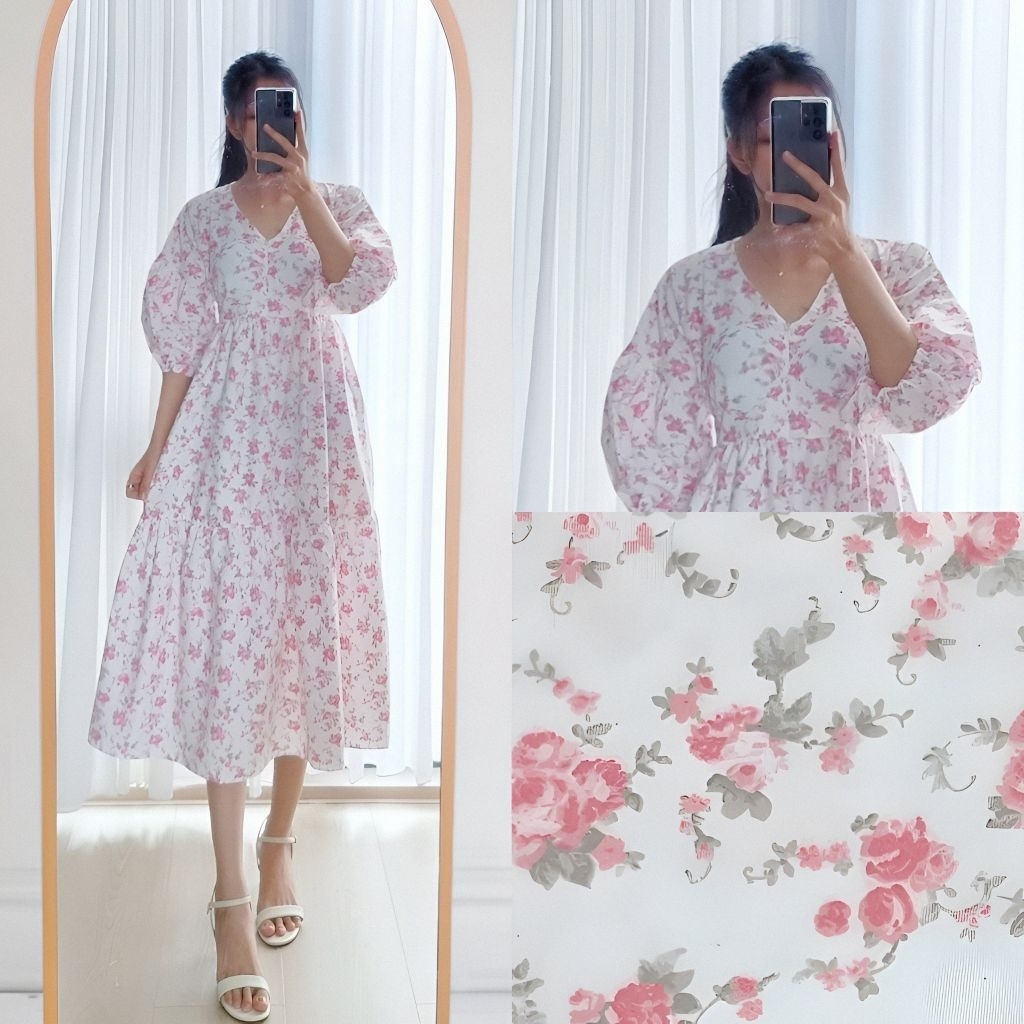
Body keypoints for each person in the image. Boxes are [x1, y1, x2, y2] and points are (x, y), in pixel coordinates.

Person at [87, 51, 396, 1021]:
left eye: (286, 110)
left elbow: (358, 285)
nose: (272, 125)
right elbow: (180, 344)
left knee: (302, 633)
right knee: (232, 643)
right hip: (227, 438)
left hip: (313, 436)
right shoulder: (202, 219)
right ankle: (228, 899)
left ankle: (279, 848)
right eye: (257, 113)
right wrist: (156, 446)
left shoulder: (338, 202)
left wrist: (305, 195)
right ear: (233, 122)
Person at [602, 43, 980, 513]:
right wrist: (692, 540)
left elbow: (921, 395)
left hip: (860, 523)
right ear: (739, 152)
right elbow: (648, 441)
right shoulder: (693, 286)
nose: (797, 154)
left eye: (814, 133)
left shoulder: (899, 268)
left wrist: (845, 253)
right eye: (773, 138)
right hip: (736, 527)